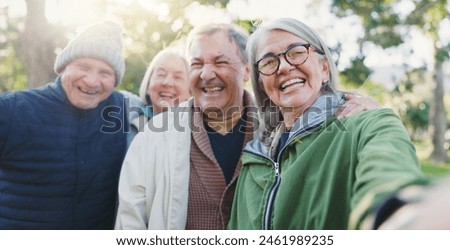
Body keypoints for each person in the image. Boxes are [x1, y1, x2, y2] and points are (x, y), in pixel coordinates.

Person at [114, 22, 380, 230]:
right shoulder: (154, 136)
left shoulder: (282, 128)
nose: (207, 74)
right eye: (197, 64)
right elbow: (130, 223)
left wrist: (358, 103)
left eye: (220, 62)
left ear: (245, 71)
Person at [227, 17, 432, 230]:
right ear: (262, 84)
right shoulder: (255, 155)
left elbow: (390, 179)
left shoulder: (368, 124)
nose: (284, 67)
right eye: (269, 62)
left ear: (324, 68)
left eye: (297, 52)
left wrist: (397, 217)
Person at [0, 21, 129, 229]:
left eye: (105, 73)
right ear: (63, 68)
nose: (92, 81)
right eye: (83, 67)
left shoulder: (123, 111)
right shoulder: (13, 109)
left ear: (115, 81)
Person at [124, 48, 191, 141]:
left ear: (190, 91)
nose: (168, 82)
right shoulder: (129, 115)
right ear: (148, 85)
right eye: (161, 74)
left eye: (178, 77)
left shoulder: (197, 131)